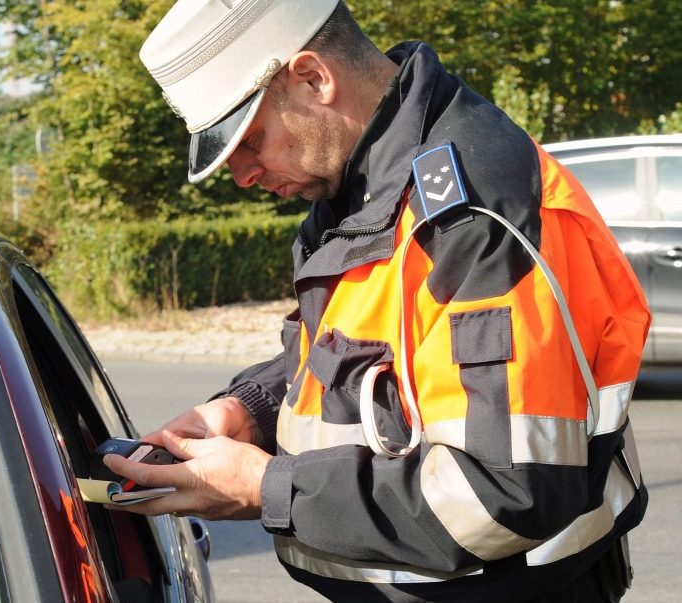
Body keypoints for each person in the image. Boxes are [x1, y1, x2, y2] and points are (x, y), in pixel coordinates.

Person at [104, 0, 650, 601]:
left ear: (314, 78)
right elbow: (373, 360)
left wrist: (266, 486)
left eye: (251, 139)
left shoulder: (471, 214)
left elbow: (508, 491)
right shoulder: (357, 187)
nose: (243, 175)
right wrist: (247, 408)